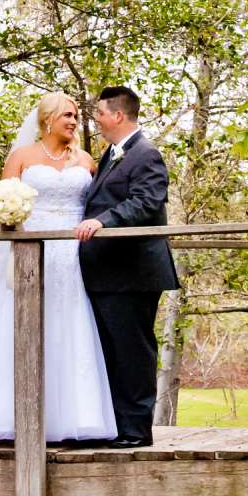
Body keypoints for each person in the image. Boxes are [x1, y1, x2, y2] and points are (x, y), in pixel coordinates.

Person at [0, 91, 119, 443]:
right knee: (17, 323)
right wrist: (11, 222)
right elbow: (1, 209)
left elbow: (96, 206)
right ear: (48, 119)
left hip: (71, 257)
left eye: (74, 116)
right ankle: (2, 415)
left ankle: (72, 419)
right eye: (67, 115)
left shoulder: (85, 161)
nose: (73, 121)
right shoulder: (22, 157)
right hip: (29, 254)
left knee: (69, 326)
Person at [74, 85, 179, 448]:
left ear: (118, 115)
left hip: (133, 273)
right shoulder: (113, 154)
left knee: (133, 351)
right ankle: (116, 426)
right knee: (111, 352)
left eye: (100, 114)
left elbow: (147, 202)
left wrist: (103, 221)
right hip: (107, 272)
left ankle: (136, 431)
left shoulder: (146, 154)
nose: (97, 120)